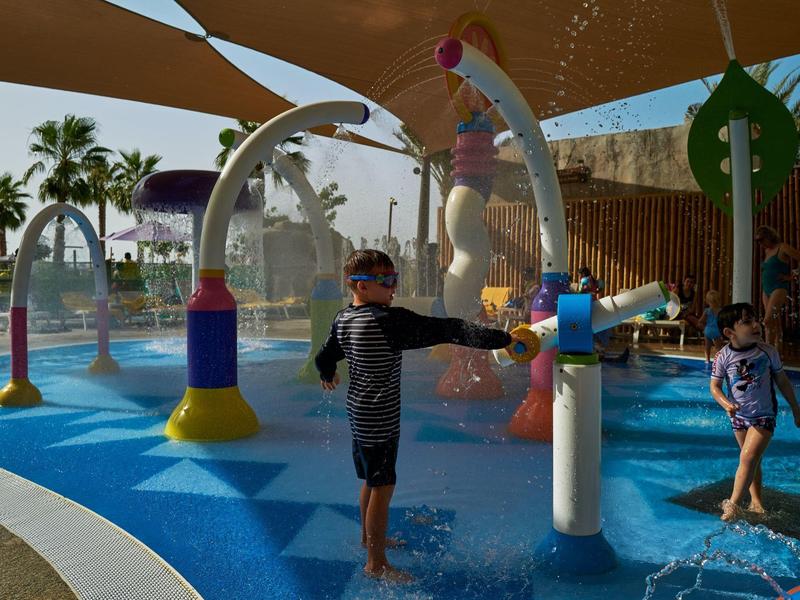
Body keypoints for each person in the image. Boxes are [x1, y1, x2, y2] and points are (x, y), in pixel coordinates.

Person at [314, 249, 517, 583]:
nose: (394, 286)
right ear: (360, 286)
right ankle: (376, 563)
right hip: (380, 417)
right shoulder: (388, 322)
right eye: (387, 280)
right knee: (383, 485)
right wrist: (502, 338)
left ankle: (368, 539)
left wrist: (326, 373)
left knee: (371, 479)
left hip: (359, 412)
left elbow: (326, 355)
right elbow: (450, 329)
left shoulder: (343, 319)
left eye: (396, 278)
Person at [710, 302, 800, 522]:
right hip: (739, 417)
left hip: (764, 415)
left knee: (748, 457)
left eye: (755, 319)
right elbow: (714, 387)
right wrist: (726, 404)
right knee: (750, 461)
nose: (756, 324)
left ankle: (732, 505)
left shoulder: (767, 352)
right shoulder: (723, 357)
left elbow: (783, 381)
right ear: (729, 332)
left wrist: (796, 408)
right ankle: (756, 502)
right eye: (747, 322)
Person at [756, 225, 800, 351]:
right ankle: (777, 354)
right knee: (775, 323)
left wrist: (790, 277)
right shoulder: (767, 251)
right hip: (766, 289)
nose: (760, 244)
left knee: (768, 320)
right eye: (758, 241)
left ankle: (767, 353)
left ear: (769, 237)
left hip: (779, 288)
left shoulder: (783, 247)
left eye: (761, 240)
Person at [697, 290, 724, 364]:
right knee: (718, 347)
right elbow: (723, 323)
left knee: (707, 346)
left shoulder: (707, 311)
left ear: (708, 301)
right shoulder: (721, 311)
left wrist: (704, 328)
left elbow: (700, 322)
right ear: (718, 300)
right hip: (717, 331)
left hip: (708, 330)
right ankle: (719, 361)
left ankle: (707, 360)